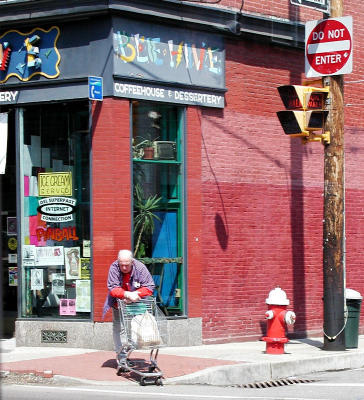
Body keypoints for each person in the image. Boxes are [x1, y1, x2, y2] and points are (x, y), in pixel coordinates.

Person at [103, 249, 155, 365]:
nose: (124, 268)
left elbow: (150, 286)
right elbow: (112, 287)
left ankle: (127, 351)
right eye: (122, 265)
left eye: (127, 265)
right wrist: (126, 294)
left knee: (133, 328)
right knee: (119, 328)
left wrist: (135, 295)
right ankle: (121, 356)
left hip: (136, 301)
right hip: (119, 302)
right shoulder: (114, 268)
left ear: (132, 262)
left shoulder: (140, 268)